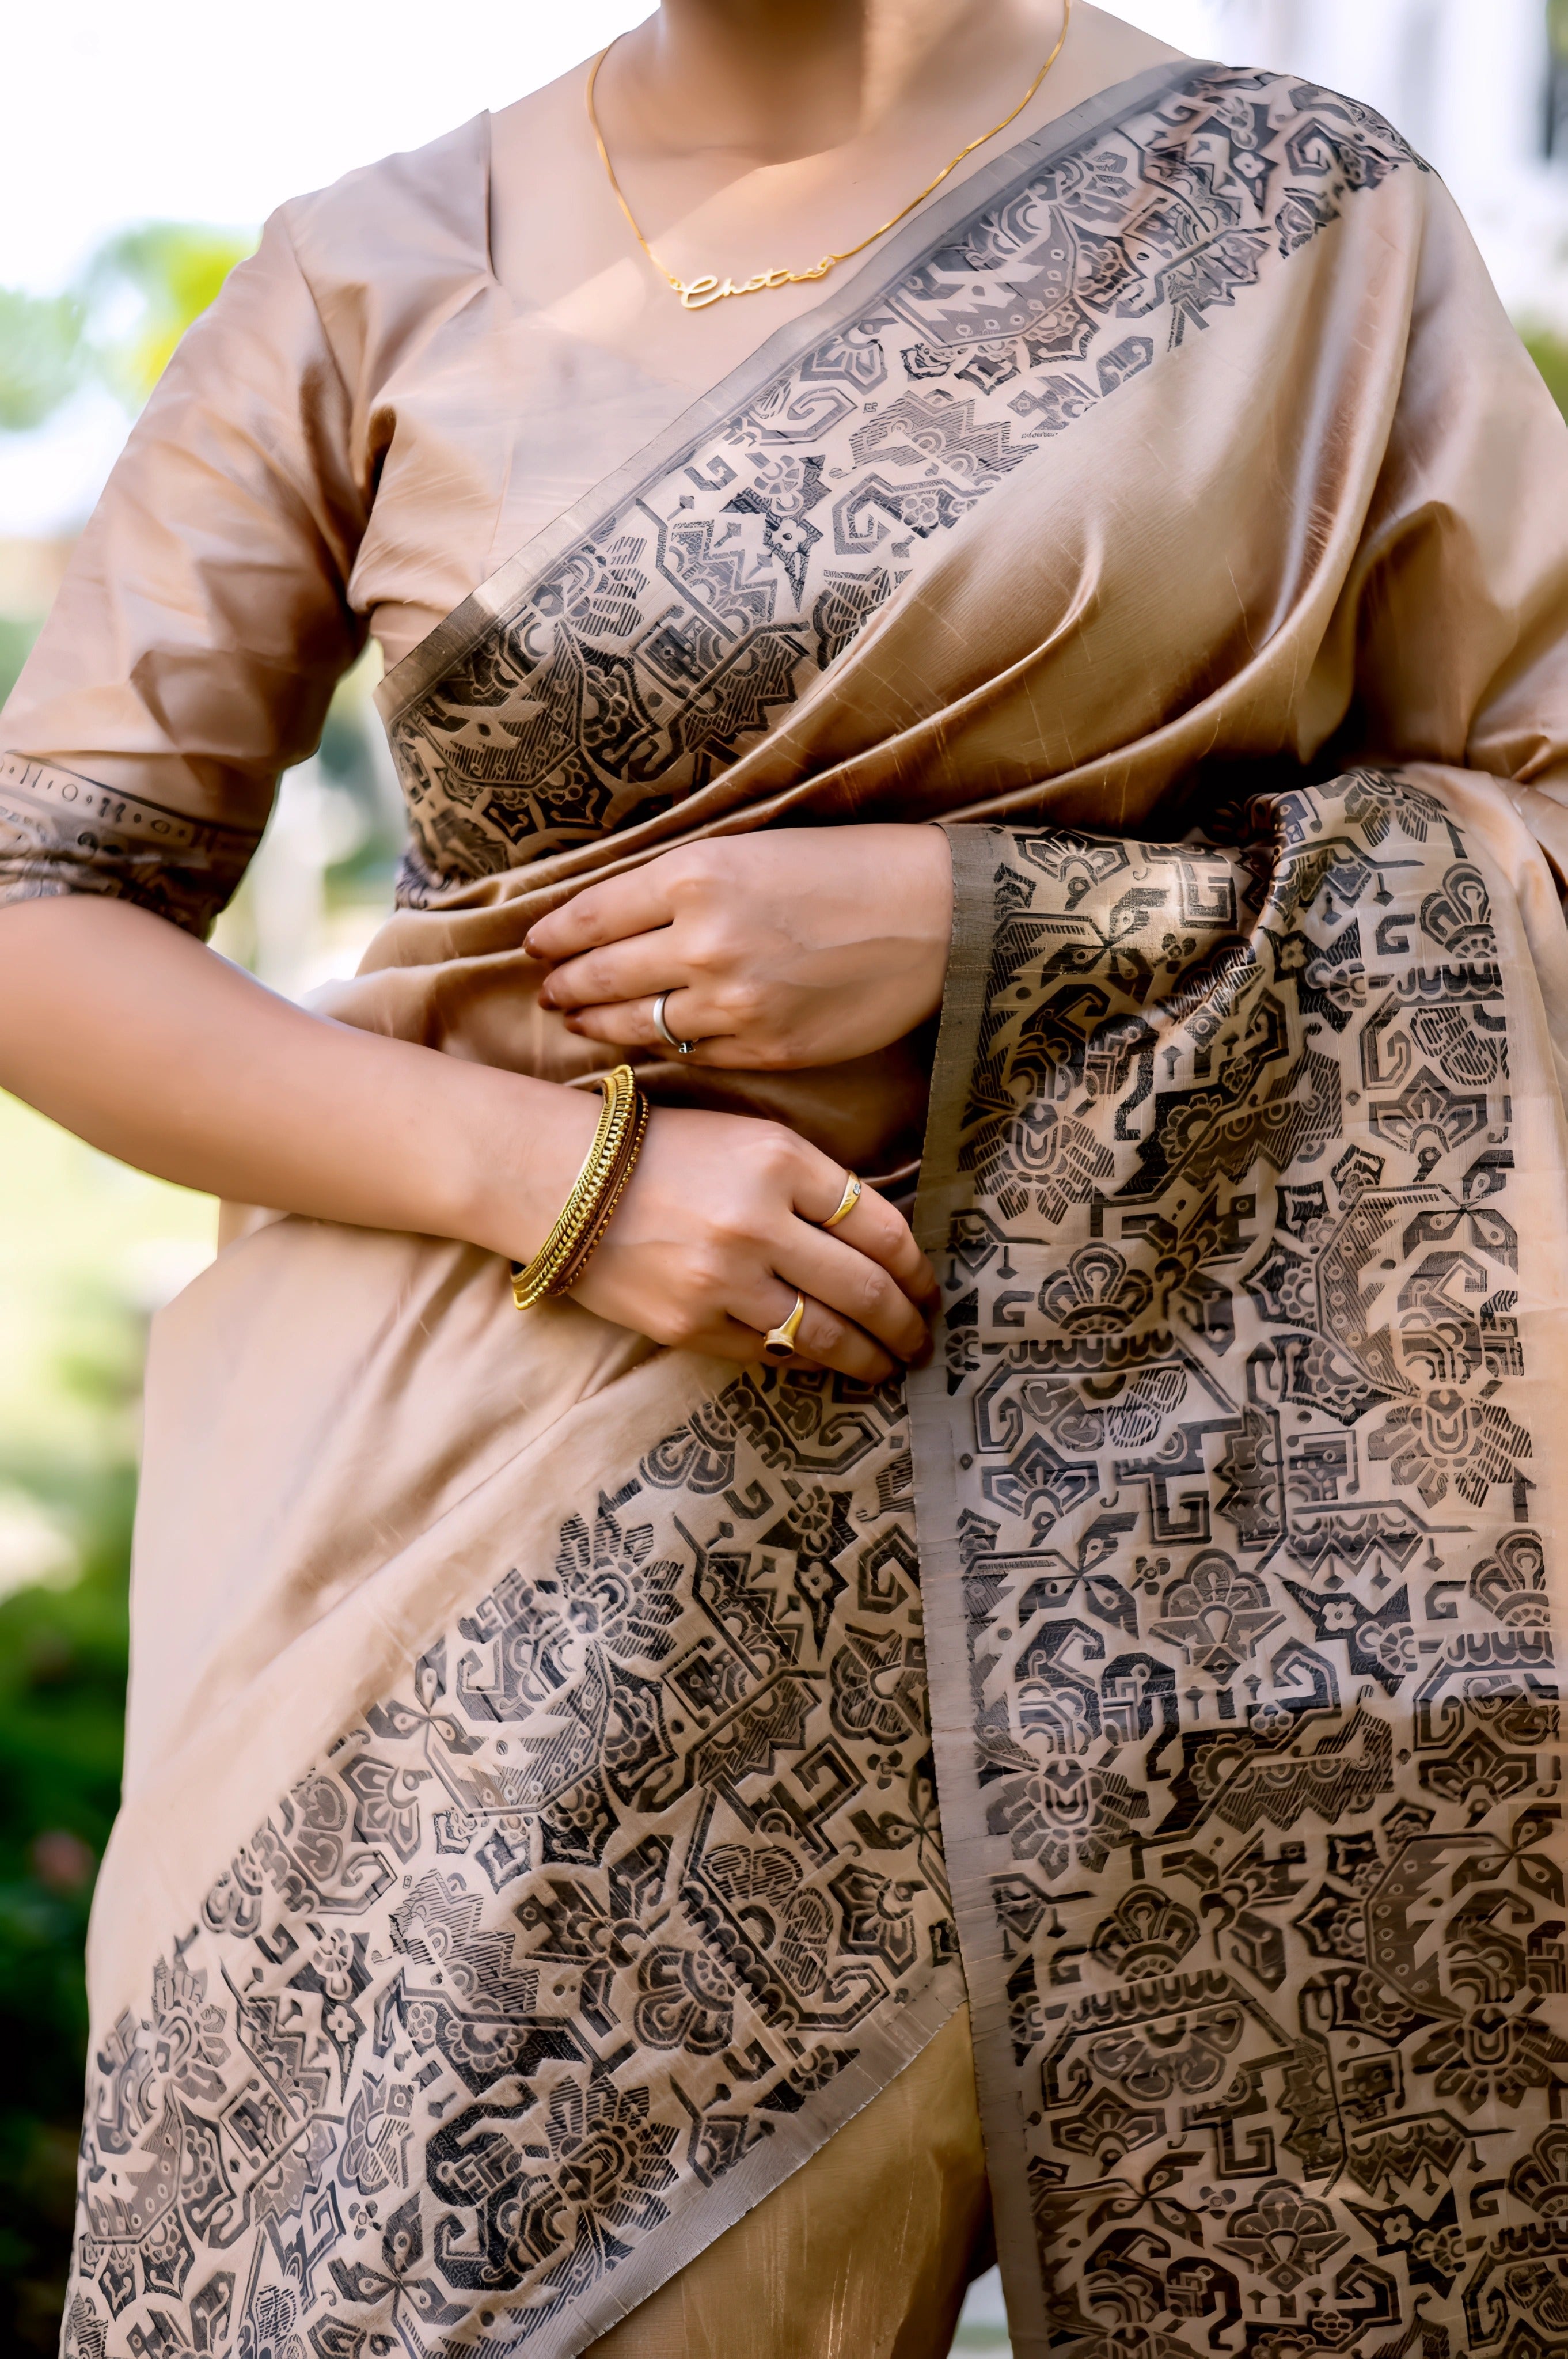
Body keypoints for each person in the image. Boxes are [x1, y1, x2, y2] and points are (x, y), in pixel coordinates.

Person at [6, 0, 1568, 2352]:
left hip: (1176, 1578)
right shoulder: (377, 264)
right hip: (458, 1594)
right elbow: (41, 907)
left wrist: (999, 930)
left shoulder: (1297, 225)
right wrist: (563, 1175)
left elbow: (1537, 830)